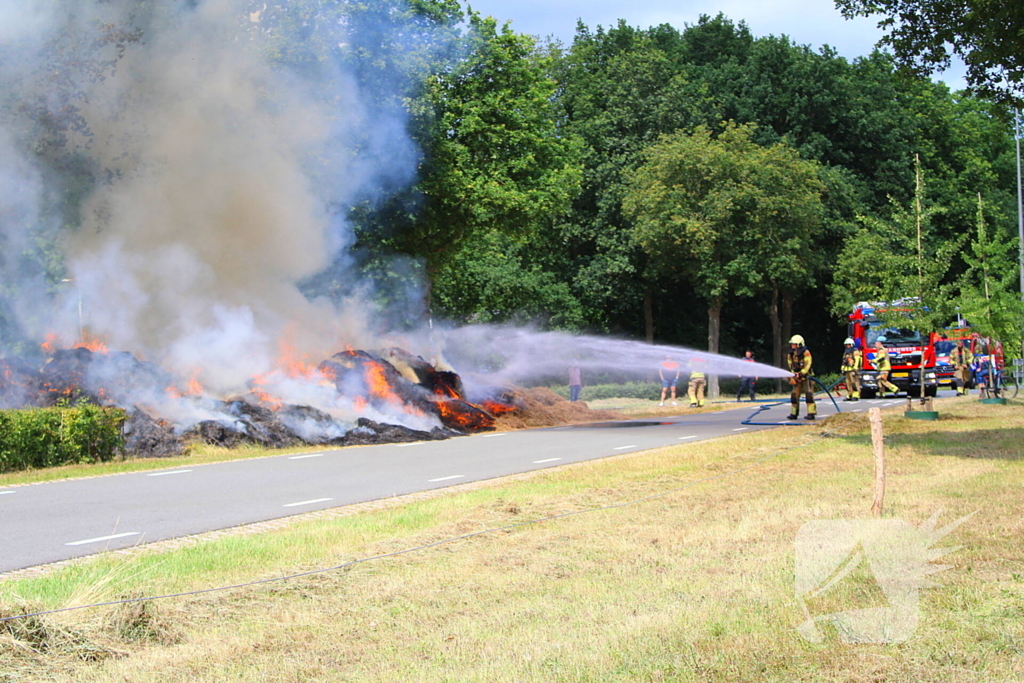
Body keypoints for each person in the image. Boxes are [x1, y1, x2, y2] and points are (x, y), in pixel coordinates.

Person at [787, 334, 816, 420]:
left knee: (809, 395)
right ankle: (793, 413)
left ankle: (811, 413)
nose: (792, 346)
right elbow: (790, 364)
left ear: (799, 344)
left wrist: (802, 373)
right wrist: (793, 374)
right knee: (794, 395)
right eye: (792, 344)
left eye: (794, 344)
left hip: (807, 377)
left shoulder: (806, 352)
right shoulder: (791, 354)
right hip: (796, 377)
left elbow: (808, 364)